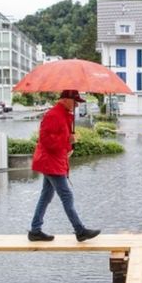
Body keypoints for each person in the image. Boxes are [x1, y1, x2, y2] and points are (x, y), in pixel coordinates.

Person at [28, 90, 101, 242]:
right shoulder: (54, 115)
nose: (76, 105)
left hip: (54, 161)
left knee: (46, 195)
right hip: (51, 162)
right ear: (66, 99)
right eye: (75, 101)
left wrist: (69, 143)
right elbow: (46, 141)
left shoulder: (63, 115)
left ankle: (35, 230)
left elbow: (59, 140)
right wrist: (68, 140)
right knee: (66, 196)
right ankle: (79, 230)